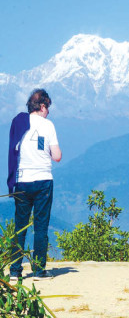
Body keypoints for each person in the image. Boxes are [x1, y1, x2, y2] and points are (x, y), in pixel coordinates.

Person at [9, 89, 62, 282]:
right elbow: (57, 156)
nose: (48, 111)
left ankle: (15, 271)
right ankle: (39, 270)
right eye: (48, 108)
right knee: (41, 226)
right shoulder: (48, 126)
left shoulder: (19, 123)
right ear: (42, 106)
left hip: (22, 179)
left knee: (20, 226)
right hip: (43, 180)